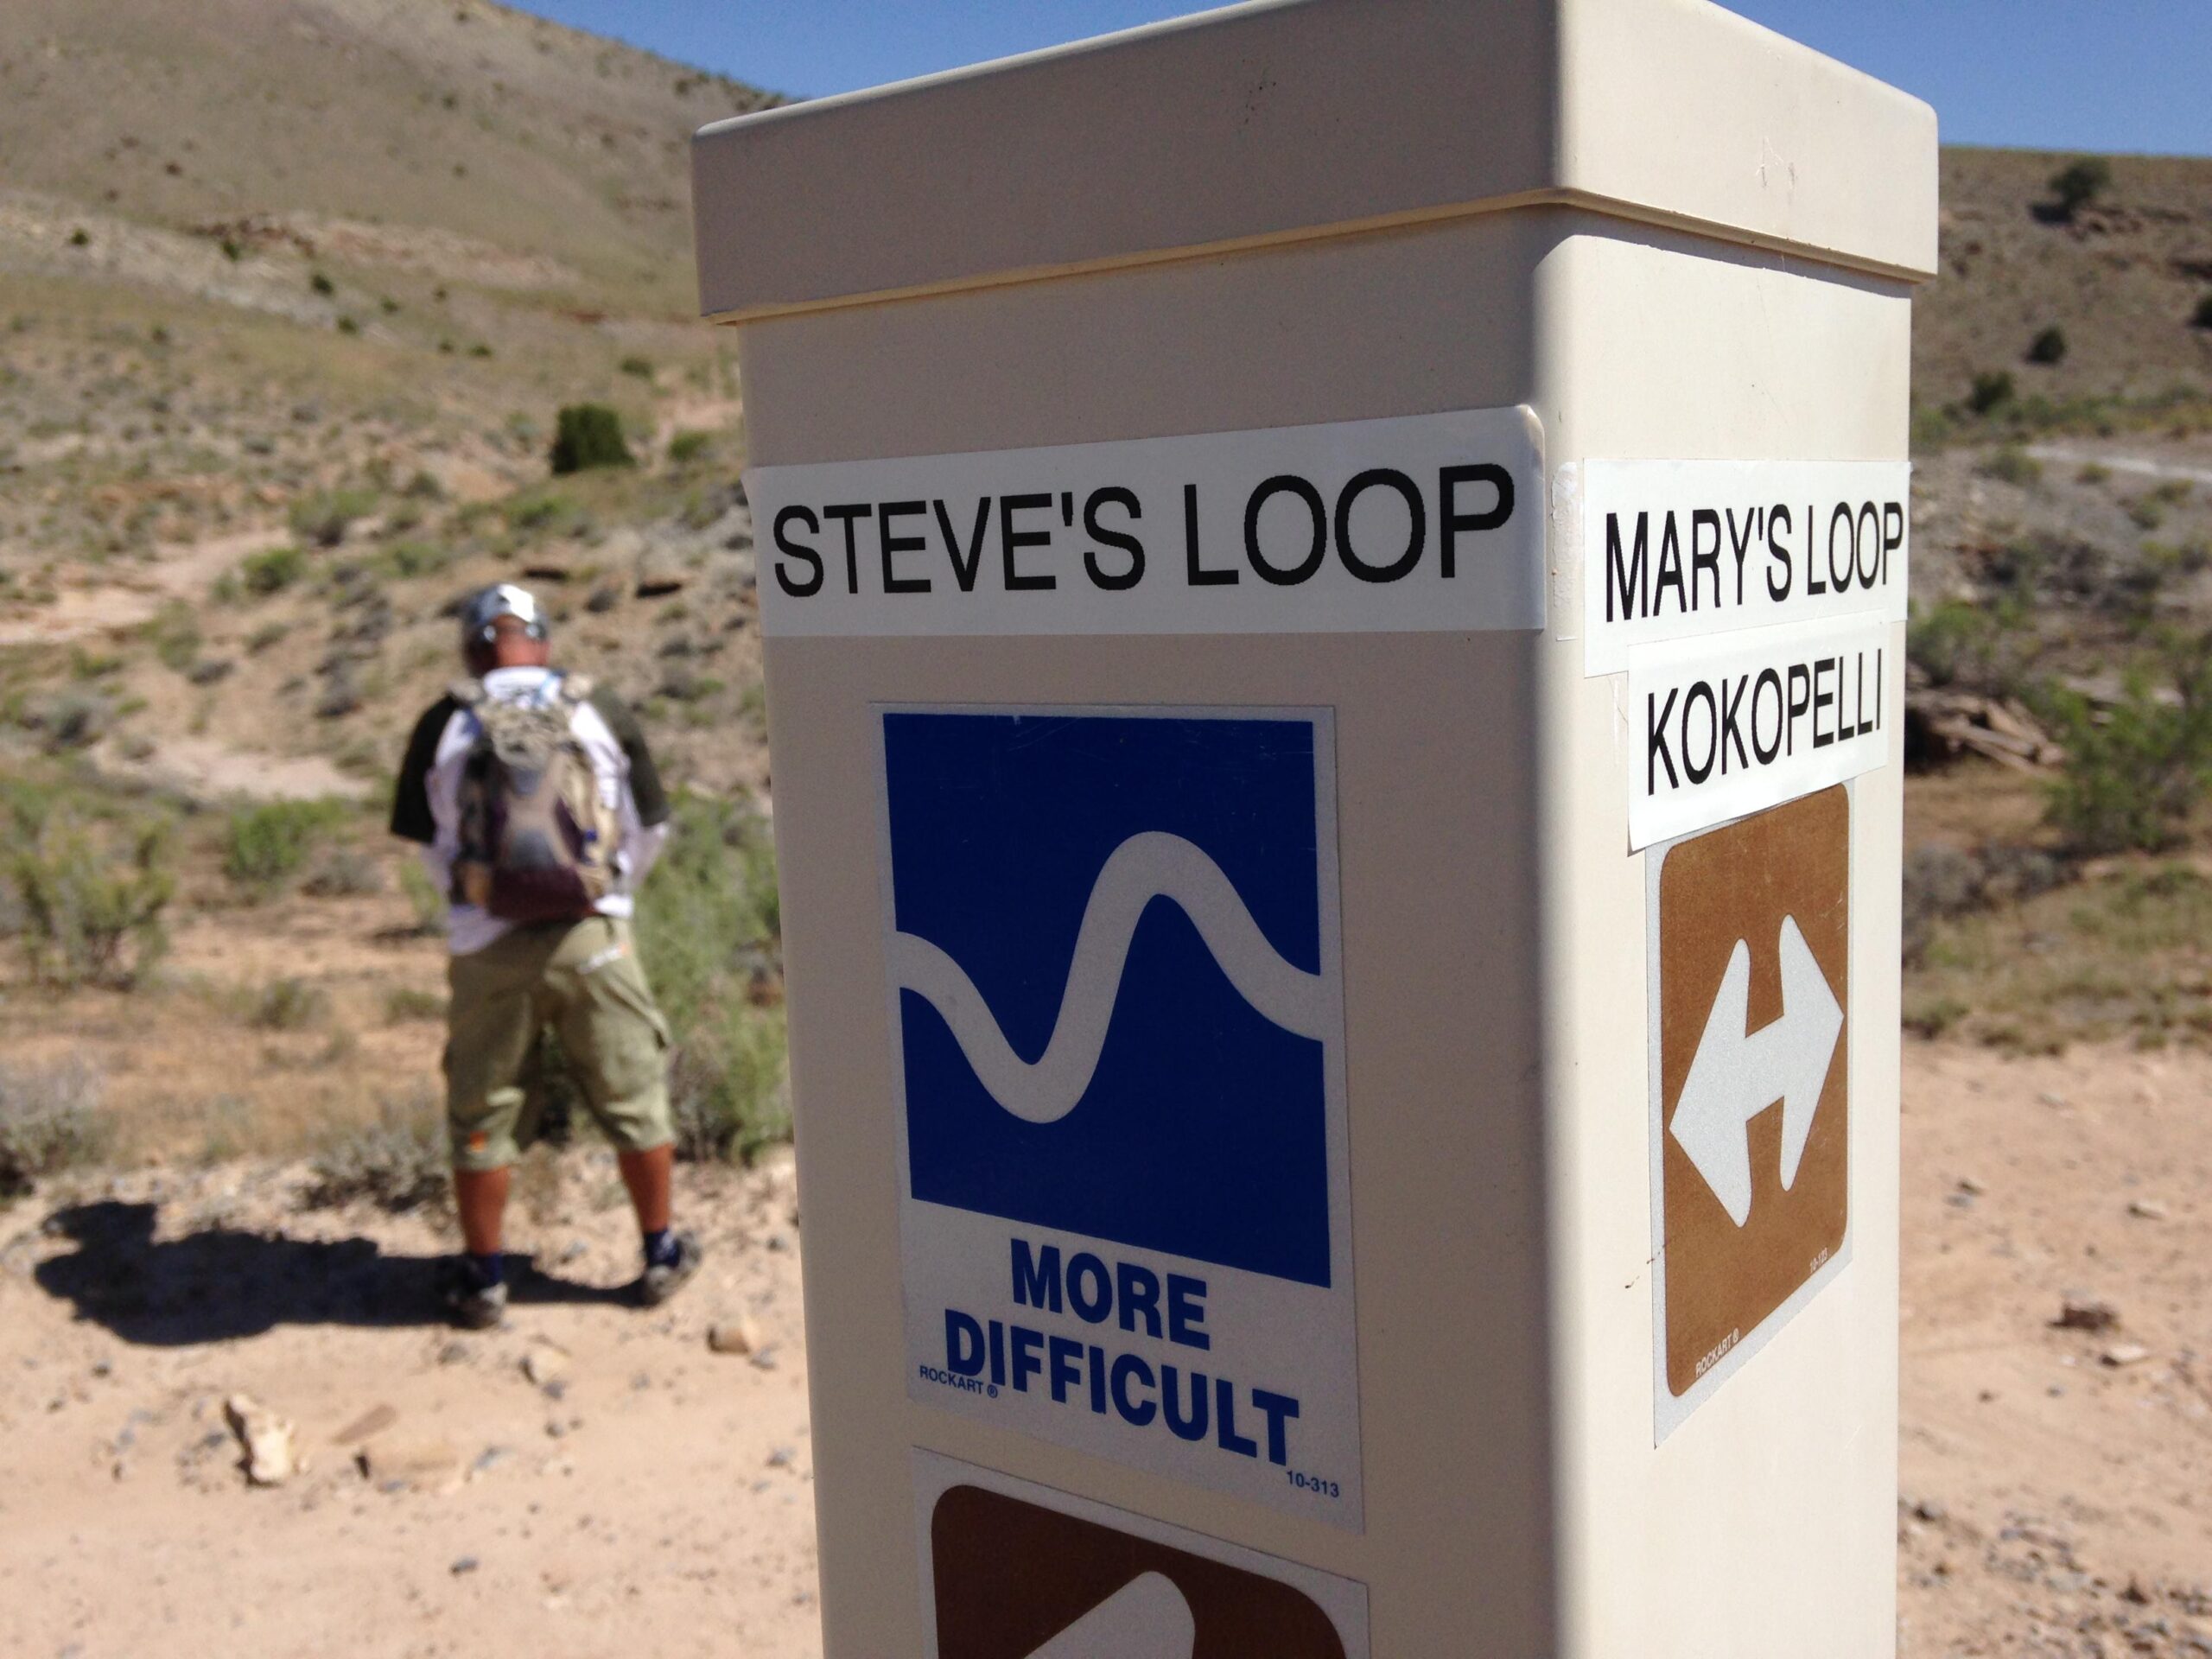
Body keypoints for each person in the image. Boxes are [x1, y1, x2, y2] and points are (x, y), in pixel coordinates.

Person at [390, 583, 701, 1328]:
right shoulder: (600, 708)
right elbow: (649, 825)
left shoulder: (444, 718)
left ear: (473, 645)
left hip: (486, 948)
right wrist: (612, 896)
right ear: (544, 638)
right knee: (633, 1095)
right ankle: (659, 1253)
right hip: (592, 938)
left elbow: (426, 841)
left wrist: (475, 902)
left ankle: (485, 1279)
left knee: (481, 1107)